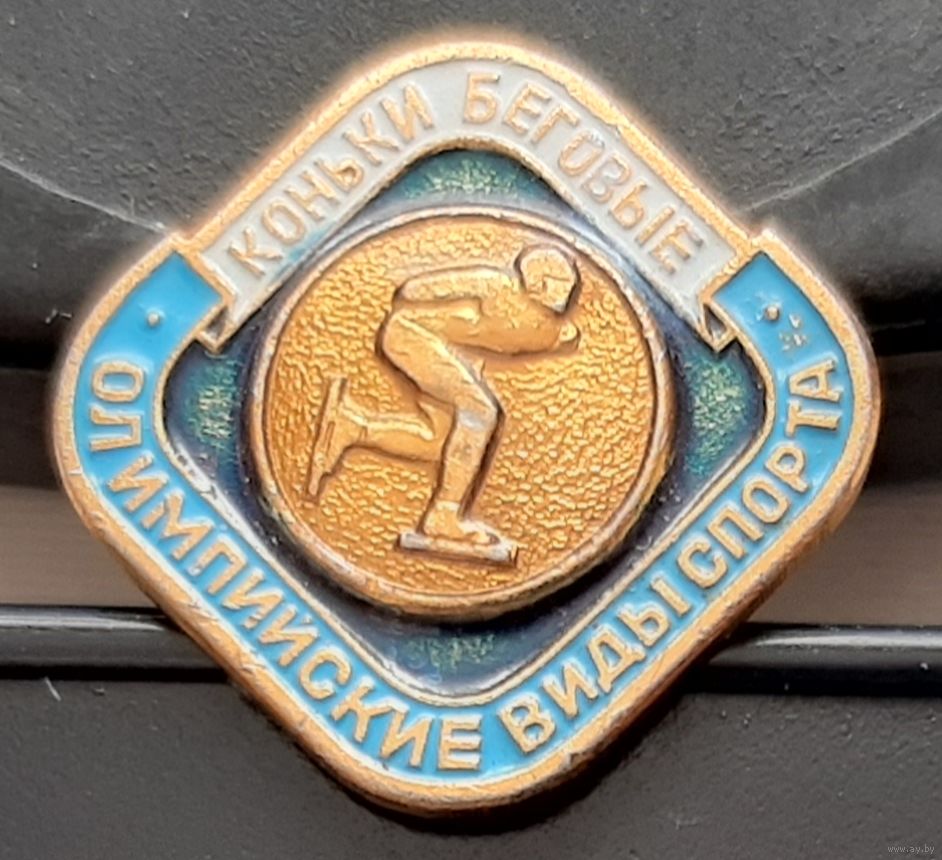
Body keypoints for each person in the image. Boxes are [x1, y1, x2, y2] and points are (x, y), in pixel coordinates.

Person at [308, 243, 581, 561]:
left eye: (568, 284)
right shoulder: (495, 284)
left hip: (450, 353)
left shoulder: (548, 331)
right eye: (558, 282)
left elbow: (496, 339)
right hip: (411, 336)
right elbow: (413, 288)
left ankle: (354, 427)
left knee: (442, 442)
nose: (565, 292)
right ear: (536, 282)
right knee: (480, 412)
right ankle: (443, 517)